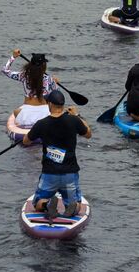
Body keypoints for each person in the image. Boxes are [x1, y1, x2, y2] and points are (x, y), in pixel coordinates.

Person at [23, 89, 91, 219]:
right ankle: (72, 207)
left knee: (37, 203)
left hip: (49, 174)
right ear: (63, 105)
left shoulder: (42, 123)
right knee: (76, 204)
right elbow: (88, 134)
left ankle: (47, 204)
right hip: (69, 174)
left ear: (49, 104)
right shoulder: (73, 121)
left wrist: (35, 131)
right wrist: (77, 116)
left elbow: (26, 141)